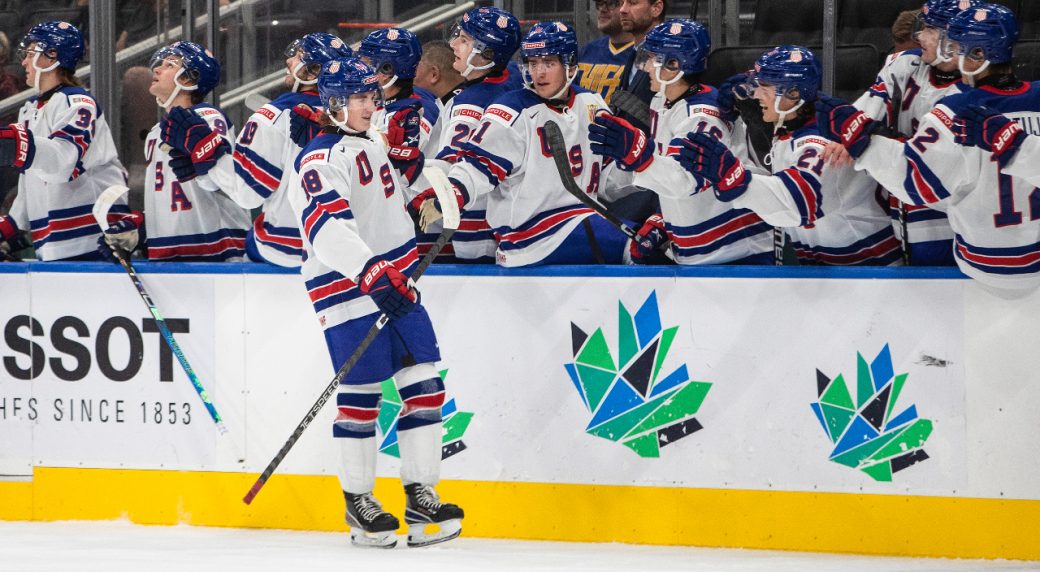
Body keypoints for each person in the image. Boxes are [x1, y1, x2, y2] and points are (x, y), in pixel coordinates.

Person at [286, 57, 463, 549]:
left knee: (424, 385)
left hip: (398, 280)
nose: (369, 106)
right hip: (347, 289)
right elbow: (326, 228)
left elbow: (386, 202)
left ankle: (421, 493)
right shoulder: (319, 160)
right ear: (334, 104)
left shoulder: (373, 144)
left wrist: (417, 194)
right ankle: (359, 501)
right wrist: (368, 269)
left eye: (372, 97)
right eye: (359, 99)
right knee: (363, 397)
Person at [818, 4, 1040, 289]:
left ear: (976, 52)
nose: (920, 36)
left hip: (964, 240)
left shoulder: (958, 108)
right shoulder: (1033, 95)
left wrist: (865, 139)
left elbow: (913, 178)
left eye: (932, 30)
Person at [418, 21, 634, 267]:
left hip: (578, 224)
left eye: (549, 63)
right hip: (528, 239)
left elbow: (607, 178)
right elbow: (476, 166)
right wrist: (449, 196)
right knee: (632, 245)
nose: (538, 73)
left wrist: (639, 164)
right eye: (533, 63)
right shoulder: (511, 109)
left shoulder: (591, 103)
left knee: (651, 238)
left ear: (571, 65)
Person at [675, 46, 902, 266]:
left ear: (793, 93)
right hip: (830, 272)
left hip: (870, 273)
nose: (757, 95)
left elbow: (795, 204)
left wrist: (733, 176)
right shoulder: (792, 125)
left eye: (765, 86)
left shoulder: (820, 143)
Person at [589, 19, 773, 265]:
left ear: (674, 65)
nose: (646, 67)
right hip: (698, 253)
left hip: (738, 253)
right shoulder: (663, 101)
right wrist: (663, 220)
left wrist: (637, 155)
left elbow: (683, 181)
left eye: (653, 59)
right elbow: (660, 168)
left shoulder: (703, 116)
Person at [176, 33, 351, 267]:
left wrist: (208, 156)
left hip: (286, 250)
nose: (289, 62)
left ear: (314, 70)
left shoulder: (273, 116)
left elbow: (247, 194)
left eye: (298, 57)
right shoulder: (363, 114)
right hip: (346, 250)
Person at [849, 0, 982, 266]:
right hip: (901, 213)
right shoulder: (904, 65)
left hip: (949, 220)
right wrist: (849, 134)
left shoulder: (975, 93)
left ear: (954, 39)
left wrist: (885, 142)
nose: (919, 35)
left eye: (930, 29)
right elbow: (865, 111)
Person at [98, 41, 250, 261]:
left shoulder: (209, 118)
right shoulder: (155, 134)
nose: (157, 69)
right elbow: (174, 196)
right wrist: (142, 229)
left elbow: (221, 180)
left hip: (216, 254)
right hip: (168, 253)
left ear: (188, 79)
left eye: (169, 65)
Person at [0, 21, 130, 261]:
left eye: (30, 53)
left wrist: (15, 144)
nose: (23, 62)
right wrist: (11, 228)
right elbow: (31, 179)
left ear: (52, 56)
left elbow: (62, 162)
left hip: (90, 240)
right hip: (51, 241)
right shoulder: (29, 111)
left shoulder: (78, 103)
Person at [421, 6, 521, 262]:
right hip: (515, 225)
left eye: (464, 40)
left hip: (478, 230)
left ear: (487, 54)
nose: (453, 44)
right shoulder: (517, 80)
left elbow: (451, 165)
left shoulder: (470, 103)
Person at [576, 0, 635, 103]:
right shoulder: (587, 50)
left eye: (610, 3)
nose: (602, 10)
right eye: (599, 4)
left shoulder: (644, 55)